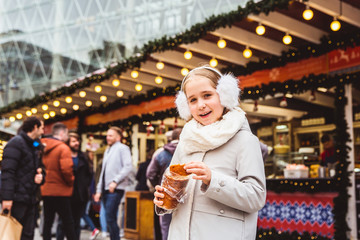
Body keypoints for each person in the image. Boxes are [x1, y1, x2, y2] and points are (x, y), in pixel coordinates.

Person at [153, 66, 266, 239]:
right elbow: (175, 191)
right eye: (192, 100)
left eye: (207, 95)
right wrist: (165, 200)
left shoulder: (245, 140)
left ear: (225, 95)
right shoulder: (186, 141)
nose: (201, 105)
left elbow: (256, 197)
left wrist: (213, 179)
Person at [1, 117, 45, 240]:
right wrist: (7, 198)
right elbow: (8, 172)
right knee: (12, 234)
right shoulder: (15, 143)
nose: (43, 132)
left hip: (30, 199)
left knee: (27, 235)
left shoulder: (35, 146)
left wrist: (41, 177)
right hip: (16, 199)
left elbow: (41, 168)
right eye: (41, 128)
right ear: (35, 127)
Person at [94, 126, 133, 240]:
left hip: (116, 188)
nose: (107, 137)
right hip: (105, 188)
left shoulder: (123, 148)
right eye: (107, 135)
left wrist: (115, 181)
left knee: (110, 217)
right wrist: (98, 190)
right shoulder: (107, 150)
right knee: (108, 217)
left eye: (110, 135)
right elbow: (103, 172)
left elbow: (127, 167)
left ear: (118, 137)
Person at [41, 122, 76, 240]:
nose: (68, 136)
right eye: (67, 133)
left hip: (46, 190)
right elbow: (66, 169)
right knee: (68, 222)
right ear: (62, 133)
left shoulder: (43, 146)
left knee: (48, 222)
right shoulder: (63, 148)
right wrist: (71, 182)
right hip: (61, 191)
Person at [56, 132, 94, 240]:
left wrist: (87, 189)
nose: (76, 143)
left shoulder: (83, 157)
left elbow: (89, 174)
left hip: (80, 195)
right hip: (65, 194)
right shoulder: (63, 155)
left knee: (76, 223)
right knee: (63, 222)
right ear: (68, 143)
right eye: (73, 141)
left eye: (77, 141)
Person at [147, 128, 182, 240]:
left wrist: (157, 185)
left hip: (165, 195)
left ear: (171, 137)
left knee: (165, 226)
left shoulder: (161, 153)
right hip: (185, 195)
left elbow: (150, 174)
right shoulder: (189, 152)